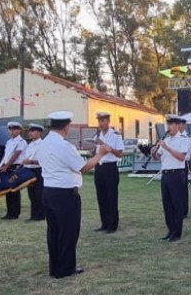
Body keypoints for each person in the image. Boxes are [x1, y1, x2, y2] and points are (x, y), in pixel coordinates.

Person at [40, 111, 110, 279]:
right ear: (66, 127)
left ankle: (55, 267)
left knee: (54, 231)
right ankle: (65, 268)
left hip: (48, 190)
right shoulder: (64, 146)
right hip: (64, 194)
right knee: (68, 231)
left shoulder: (43, 143)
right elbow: (83, 167)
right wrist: (100, 154)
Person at [154, 115, 191, 242]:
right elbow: (158, 157)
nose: (169, 127)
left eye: (171, 125)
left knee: (177, 204)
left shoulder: (183, 139)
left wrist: (167, 148)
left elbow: (181, 157)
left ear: (177, 126)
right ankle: (170, 230)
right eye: (168, 125)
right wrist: (153, 152)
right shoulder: (166, 139)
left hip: (177, 173)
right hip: (165, 174)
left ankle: (177, 232)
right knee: (167, 204)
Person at [93, 112, 125, 233]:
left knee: (111, 196)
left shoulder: (115, 135)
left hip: (110, 167)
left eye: (103, 121)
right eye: (99, 121)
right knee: (101, 196)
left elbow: (120, 153)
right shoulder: (97, 135)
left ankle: (113, 224)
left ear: (108, 121)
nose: (101, 124)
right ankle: (104, 223)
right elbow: (96, 153)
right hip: (99, 167)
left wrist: (107, 147)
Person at [0, 122, 28, 220]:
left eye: (14, 129)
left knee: (14, 190)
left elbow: (16, 155)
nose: (12, 131)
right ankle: (9, 212)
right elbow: (6, 156)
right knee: (8, 189)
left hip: (15, 167)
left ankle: (14, 213)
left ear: (19, 130)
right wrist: (1, 166)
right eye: (10, 129)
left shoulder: (21, 142)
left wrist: (7, 165)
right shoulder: (9, 142)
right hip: (7, 167)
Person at [21, 124, 45, 221]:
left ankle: (40, 215)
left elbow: (44, 160)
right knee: (31, 194)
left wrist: (31, 162)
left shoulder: (42, 144)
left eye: (33, 131)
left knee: (39, 193)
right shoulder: (30, 144)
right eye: (30, 131)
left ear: (39, 133)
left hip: (38, 170)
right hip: (29, 170)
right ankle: (33, 215)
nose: (30, 133)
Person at [178, 118, 191, 218]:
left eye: (179, 124)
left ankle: (184, 211)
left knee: (182, 188)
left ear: (184, 125)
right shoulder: (173, 137)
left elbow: (185, 153)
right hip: (173, 164)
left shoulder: (187, 137)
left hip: (182, 164)